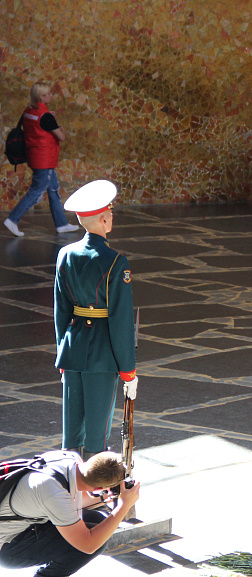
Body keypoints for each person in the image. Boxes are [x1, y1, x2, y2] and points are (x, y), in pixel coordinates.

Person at [55, 181, 138, 459]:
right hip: (102, 354)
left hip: (72, 350)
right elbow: (121, 320)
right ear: (104, 219)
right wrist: (128, 369)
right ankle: (93, 495)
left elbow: (61, 311)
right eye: (111, 213)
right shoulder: (116, 261)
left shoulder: (65, 254)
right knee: (96, 434)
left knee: (71, 434)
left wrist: (61, 353)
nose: (112, 217)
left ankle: (68, 489)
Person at [0, 451, 140, 576]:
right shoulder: (53, 492)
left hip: (30, 523)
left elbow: (77, 502)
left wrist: (104, 497)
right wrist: (123, 506)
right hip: (7, 548)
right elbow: (88, 545)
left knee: (98, 521)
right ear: (99, 487)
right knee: (93, 542)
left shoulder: (70, 459)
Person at [4, 82, 79, 238]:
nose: (51, 96)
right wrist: (62, 129)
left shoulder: (28, 111)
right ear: (41, 97)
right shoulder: (46, 117)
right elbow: (61, 137)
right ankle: (12, 219)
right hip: (45, 160)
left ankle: (62, 224)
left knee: (53, 190)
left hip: (35, 156)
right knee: (36, 192)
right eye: (48, 94)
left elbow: (35, 127)